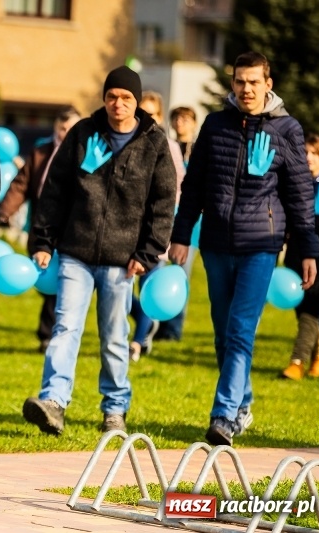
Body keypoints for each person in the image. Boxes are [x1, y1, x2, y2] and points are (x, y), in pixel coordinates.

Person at [170, 51, 319, 446]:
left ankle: (223, 416)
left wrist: (307, 249)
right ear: (232, 83)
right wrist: (181, 234)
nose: (246, 89)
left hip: (261, 246)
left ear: (268, 84)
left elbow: (300, 194)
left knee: (239, 331)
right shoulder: (215, 125)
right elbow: (193, 185)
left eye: (254, 81)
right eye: (240, 81)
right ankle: (243, 402)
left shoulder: (287, 129)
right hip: (215, 243)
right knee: (223, 334)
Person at [22, 66, 177, 436]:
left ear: (137, 102)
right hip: (75, 252)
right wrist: (43, 241)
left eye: (126, 97)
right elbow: (54, 191)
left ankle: (115, 409)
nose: (117, 103)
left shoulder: (154, 143)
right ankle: (54, 402)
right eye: (111, 96)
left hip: (122, 261)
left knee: (114, 337)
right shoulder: (83, 133)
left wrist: (147, 254)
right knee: (65, 328)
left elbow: (163, 203)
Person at [0, 105, 81, 353]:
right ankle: (52, 334)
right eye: (62, 128)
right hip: (42, 228)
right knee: (47, 283)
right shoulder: (41, 152)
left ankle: (50, 336)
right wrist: (3, 213)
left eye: (71, 129)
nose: (65, 133)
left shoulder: (85, 154)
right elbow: (21, 185)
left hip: (72, 231)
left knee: (62, 284)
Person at [128, 91, 186, 361]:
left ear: (160, 117)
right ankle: (144, 325)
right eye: (141, 112)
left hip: (155, 230)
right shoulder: (126, 141)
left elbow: (177, 187)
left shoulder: (168, 146)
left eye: (151, 113)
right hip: (126, 230)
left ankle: (137, 342)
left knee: (149, 287)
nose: (145, 118)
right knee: (122, 291)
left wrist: (164, 219)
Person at [281, 133, 319, 380]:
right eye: (305, 153)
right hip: (296, 255)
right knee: (302, 309)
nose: (308, 157)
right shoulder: (293, 183)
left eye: (314, 153)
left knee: (311, 307)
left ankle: (297, 362)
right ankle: (318, 353)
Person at [156, 104, 200, 342]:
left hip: (190, 223)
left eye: (185, 118)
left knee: (181, 273)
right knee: (158, 271)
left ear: (194, 123)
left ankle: (173, 329)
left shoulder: (200, 150)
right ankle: (155, 323)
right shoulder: (165, 146)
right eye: (176, 118)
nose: (180, 122)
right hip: (165, 216)